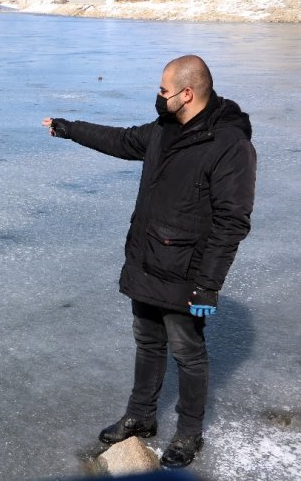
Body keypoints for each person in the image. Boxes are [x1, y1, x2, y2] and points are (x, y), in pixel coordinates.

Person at [42, 55, 256, 468]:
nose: (158, 97)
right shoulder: (165, 129)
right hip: (146, 259)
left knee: (188, 353)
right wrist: (70, 129)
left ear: (187, 93)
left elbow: (232, 222)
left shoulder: (229, 146)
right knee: (147, 342)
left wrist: (208, 284)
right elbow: (122, 141)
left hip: (185, 272)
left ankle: (189, 433)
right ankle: (140, 416)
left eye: (163, 90)